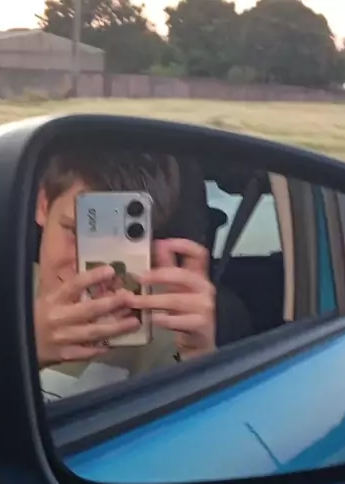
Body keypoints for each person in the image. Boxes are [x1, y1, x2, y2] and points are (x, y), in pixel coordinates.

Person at [34, 145, 216, 399]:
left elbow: (193, 418)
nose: (89, 270)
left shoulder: (164, 325)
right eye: (75, 232)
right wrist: (25, 346)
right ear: (43, 205)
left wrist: (198, 357)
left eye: (116, 247)